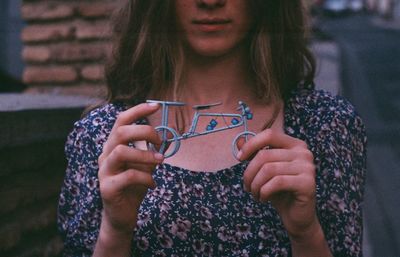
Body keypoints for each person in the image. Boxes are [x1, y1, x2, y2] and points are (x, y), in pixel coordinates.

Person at [57, 0, 367, 256]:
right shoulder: (102, 136)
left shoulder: (326, 126)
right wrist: (114, 231)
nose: (210, 2)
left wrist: (305, 232)